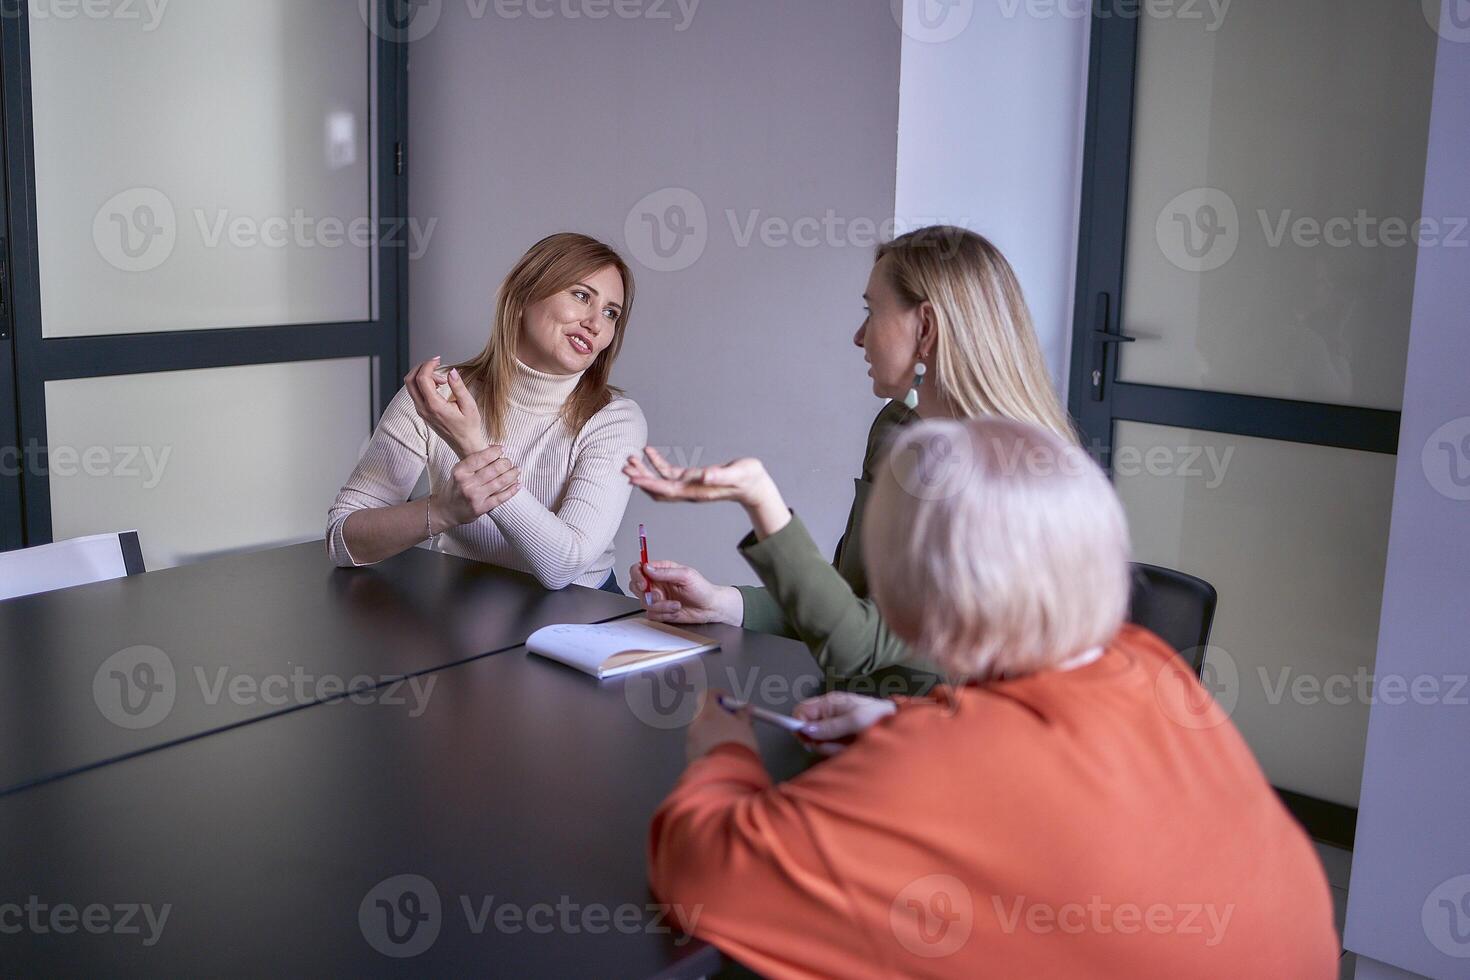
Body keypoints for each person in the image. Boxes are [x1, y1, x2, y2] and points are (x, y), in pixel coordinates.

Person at [647, 417, 1339, 979]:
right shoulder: (1144, 661)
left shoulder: (935, 766)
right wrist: (900, 715)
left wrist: (722, 753)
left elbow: (700, 878)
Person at [625, 225, 1074, 682]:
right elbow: (846, 601)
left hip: (945, 738)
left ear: (926, 328)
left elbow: (853, 643)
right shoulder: (896, 426)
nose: (859, 337)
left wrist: (760, 497)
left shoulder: (1002, 476)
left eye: (871, 311)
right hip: (851, 713)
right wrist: (723, 602)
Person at [327, 233, 646, 592]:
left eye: (611, 313)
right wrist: (442, 512)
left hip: (580, 613)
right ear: (525, 295)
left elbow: (563, 567)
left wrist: (471, 446)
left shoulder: (616, 420)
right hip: (462, 601)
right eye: (581, 295)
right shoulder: (437, 395)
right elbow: (342, 540)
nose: (596, 323)